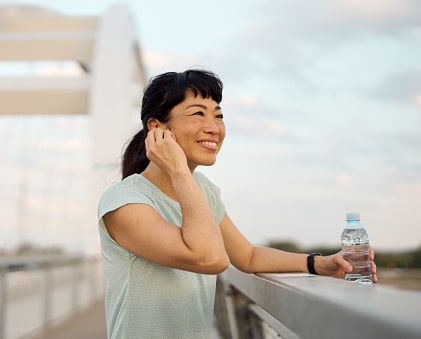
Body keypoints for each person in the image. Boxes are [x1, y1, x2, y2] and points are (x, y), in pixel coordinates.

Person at [97, 69, 377, 338]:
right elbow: (211, 258)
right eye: (197, 114)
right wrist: (179, 170)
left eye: (218, 116)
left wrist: (321, 264)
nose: (213, 128)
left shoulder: (202, 190)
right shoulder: (123, 202)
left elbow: (247, 256)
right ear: (156, 128)